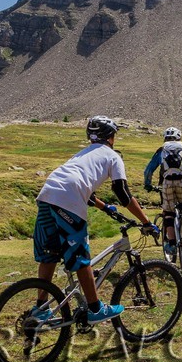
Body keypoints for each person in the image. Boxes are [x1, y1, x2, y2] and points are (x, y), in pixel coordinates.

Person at [33, 115, 156, 325]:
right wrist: (146, 222)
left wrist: (105, 207)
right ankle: (95, 309)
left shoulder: (83, 154)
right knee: (81, 258)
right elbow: (122, 192)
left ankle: (40, 308)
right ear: (111, 137)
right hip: (68, 200)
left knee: (49, 256)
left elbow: (80, 185)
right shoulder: (112, 156)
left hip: (47, 195)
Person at [143, 126, 182, 257]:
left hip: (167, 183)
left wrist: (147, 184)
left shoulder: (162, 151)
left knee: (168, 212)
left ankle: (173, 244)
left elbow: (148, 171)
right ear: (179, 138)